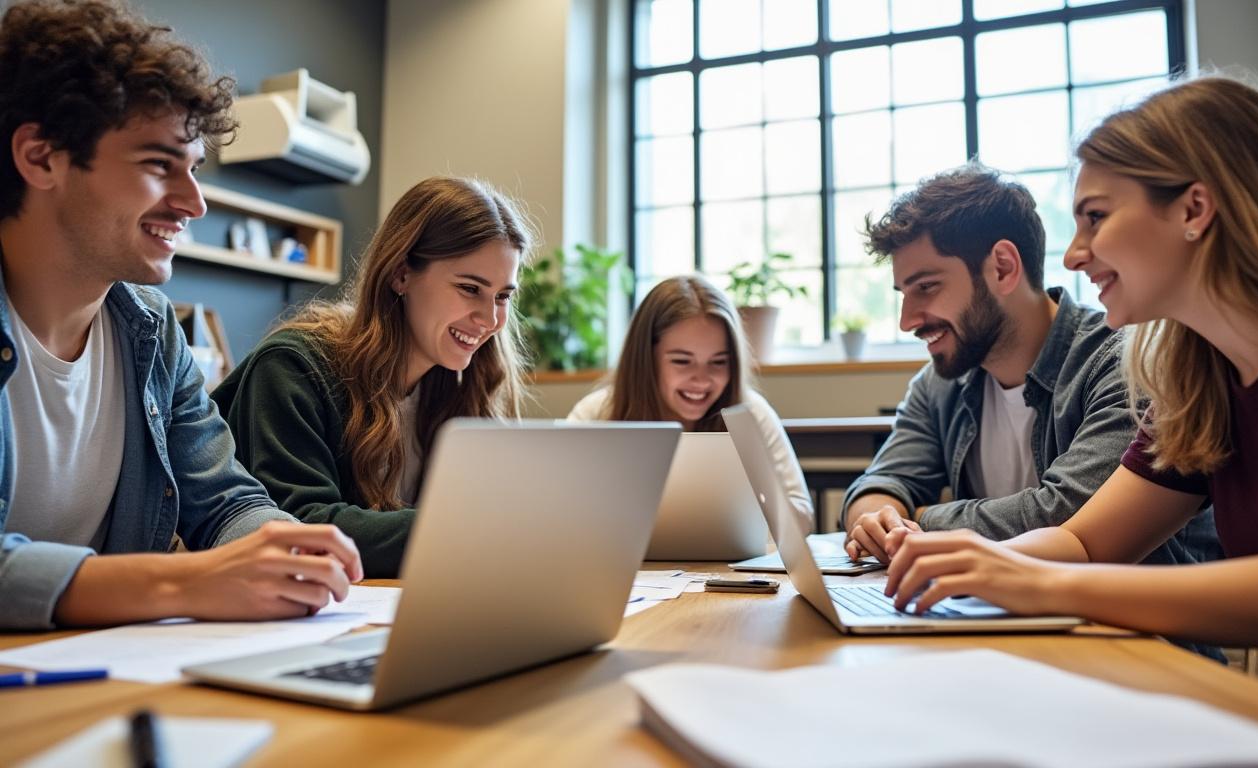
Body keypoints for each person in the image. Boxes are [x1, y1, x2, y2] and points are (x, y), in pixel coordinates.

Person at [880, 76, 1258, 700]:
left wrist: (1035, 581)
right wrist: (983, 562)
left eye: (1095, 217)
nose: (1074, 256)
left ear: (1194, 210)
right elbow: (1082, 539)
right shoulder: (1199, 374)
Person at [0, 0, 362, 630]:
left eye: (193, 169)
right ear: (41, 156)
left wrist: (283, 549)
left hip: (99, 670)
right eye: (158, 165)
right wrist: (184, 582)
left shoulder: (151, 330)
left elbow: (224, 501)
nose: (194, 203)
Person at [842, 164, 1217, 569]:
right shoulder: (939, 383)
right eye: (903, 293)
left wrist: (918, 520)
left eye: (926, 287)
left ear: (1003, 267)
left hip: (1134, 609)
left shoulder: (1123, 362)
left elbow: (1063, 518)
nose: (907, 320)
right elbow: (881, 483)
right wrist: (876, 518)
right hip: (1000, 602)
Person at [213, 176, 532, 577]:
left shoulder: (459, 383)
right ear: (400, 274)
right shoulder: (293, 367)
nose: (490, 319)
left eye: (503, 296)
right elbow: (301, 524)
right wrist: (468, 531)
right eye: (470, 288)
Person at [567, 275, 813, 526]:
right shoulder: (595, 414)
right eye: (682, 361)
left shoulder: (751, 412)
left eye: (719, 362)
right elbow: (560, 508)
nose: (702, 380)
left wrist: (750, 500)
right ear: (645, 359)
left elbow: (803, 517)